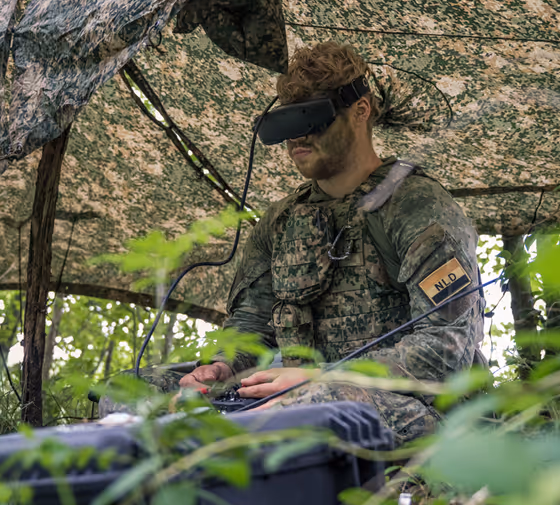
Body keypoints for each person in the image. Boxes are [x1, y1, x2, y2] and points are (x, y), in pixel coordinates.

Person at [100, 42, 485, 446]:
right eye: (288, 121)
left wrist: (322, 378)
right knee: (127, 393)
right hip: (292, 396)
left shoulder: (416, 207)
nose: (297, 136)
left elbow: (447, 350)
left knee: (310, 406)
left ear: (360, 110)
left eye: (313, 118)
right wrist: (220, 368)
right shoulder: (280, 222)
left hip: (416, 411)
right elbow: (251, 328)